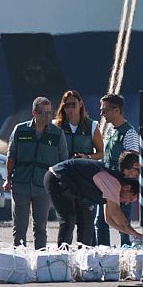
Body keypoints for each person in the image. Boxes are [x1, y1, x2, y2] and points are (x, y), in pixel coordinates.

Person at [4, 97, 68, 250]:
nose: (47, 116)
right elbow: (11, 156)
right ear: (34, 112)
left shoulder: (57, 134)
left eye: (49, 113)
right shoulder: (20, 130)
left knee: (40, 227)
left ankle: (39, 260)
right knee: (19, 227)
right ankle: (19, 259)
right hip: (21, 184)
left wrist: (60, 185)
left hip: (43, 187)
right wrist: (8, 179)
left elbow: (63, 161)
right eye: (42, 113)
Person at [45, 152, 143, 244]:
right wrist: (138, 235)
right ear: (127, 188)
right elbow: (115, 213)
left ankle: (82, 254)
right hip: (57, 177)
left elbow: (108, 219)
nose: (126, 203)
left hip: (71, 186)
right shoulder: (113, 182)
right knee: (69, 218)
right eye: (130, 199)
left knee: (86, 221)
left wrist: (133, 234)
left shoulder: (112, 185)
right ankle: (63, 255)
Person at [53, 90, 104, 245]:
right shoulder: (56, 126)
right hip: (64, 177)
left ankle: (85, 255)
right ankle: (62, 255)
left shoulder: (92, 126)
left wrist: (87, 157)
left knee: (86, 221)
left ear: (81, 104)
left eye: (73, 104)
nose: (70, 108)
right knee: (67, 219)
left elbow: (101, 153)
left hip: (84, 178)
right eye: (66, 105)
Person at [95, 93, 139, 246]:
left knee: (122, 223)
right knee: (101, 222)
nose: (101, 113)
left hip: (121, 188)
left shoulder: (129, 133)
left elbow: (133, 164)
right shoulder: (110, 130)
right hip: (107, 184)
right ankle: (103, 254)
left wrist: (127, 189)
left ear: (117, 110)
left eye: (104, 110)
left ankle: (128, 252)